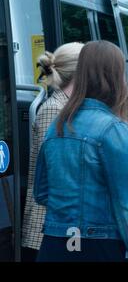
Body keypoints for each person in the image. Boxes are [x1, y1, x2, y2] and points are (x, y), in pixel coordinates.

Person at [34, 40, 128, 262]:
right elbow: (126, 204)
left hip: (55, 243)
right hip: (99, 246)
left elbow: (41, 192)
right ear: (116, 76)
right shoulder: (113, 129)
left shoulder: (57, 124)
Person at [21, 42, 84, 262]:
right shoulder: (54, 110)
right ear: (80, 73)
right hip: (46, 229)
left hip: (60, 226)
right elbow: (53, 177)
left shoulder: (68, 107)